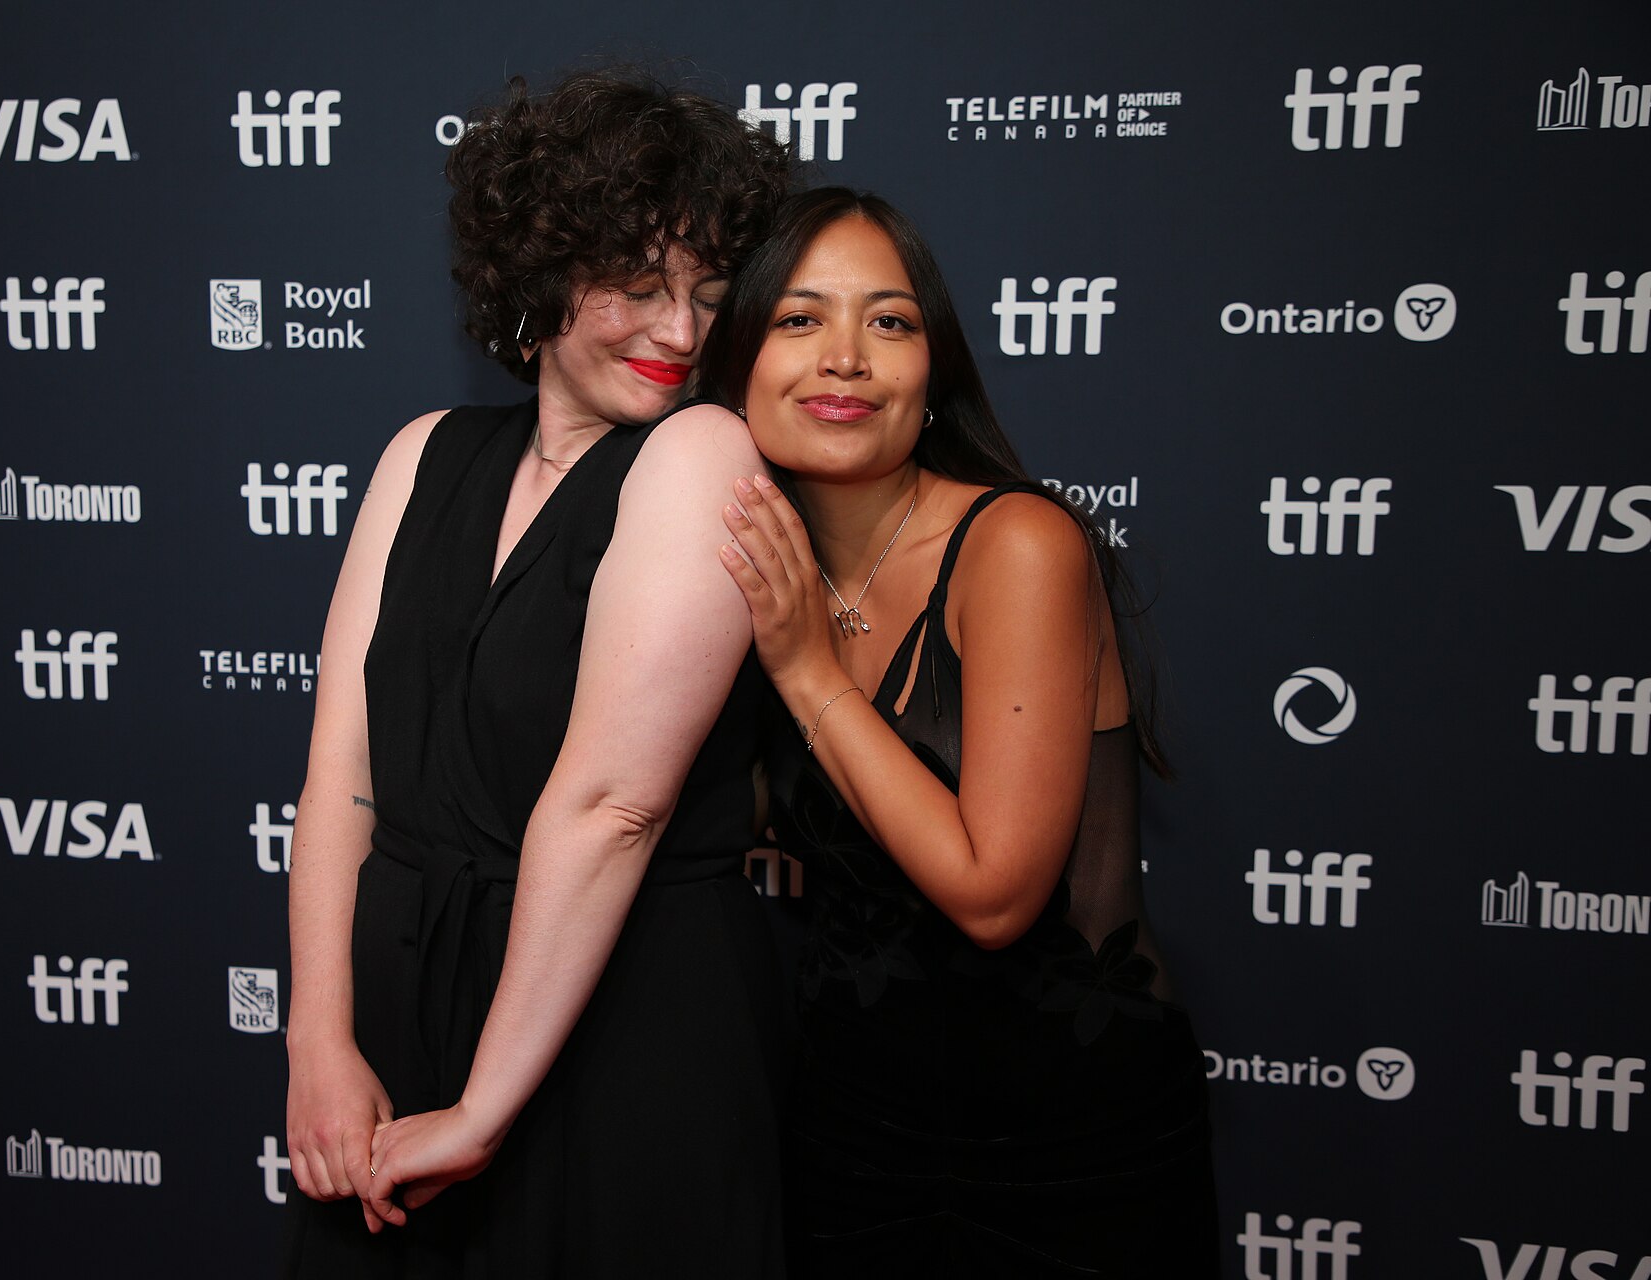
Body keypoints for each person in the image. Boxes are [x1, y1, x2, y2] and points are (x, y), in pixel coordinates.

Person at [281, 73, 791, 1277]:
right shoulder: (424, 455)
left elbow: (616, 806)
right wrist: (318, 1038)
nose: (680, 332)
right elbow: (341, 780)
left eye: (712, 294)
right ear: (545, 266)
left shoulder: (701, 452)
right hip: (402, 1006)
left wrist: (482, 1108)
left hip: (615, 1023)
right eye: (639, 285)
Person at [705, 188, 1218, 1277]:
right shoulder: (752, 569)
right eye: (800, 319)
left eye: (888, 322)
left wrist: (805, 669)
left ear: (933, 372)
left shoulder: (1019, 542)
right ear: (736, 365)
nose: (846, 357)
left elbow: (995, 892)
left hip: (1069, 1139)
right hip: (851, 1127)